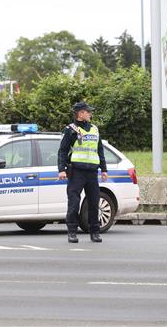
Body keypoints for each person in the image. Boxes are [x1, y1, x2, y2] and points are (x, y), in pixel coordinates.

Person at [58, 102, 108, 243]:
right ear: (80, 114)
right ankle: (72, 232)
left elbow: (100, 150)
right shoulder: (70, 129)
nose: (90, 114)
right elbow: (62, 151)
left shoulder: (94, 129)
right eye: (88, 112)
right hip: (76, 172)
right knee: (74, 203)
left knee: (94, 203)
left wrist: (104, 169)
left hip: (92, 172)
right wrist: (61, 170)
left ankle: (95, 232)